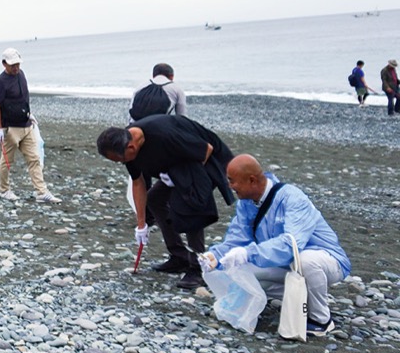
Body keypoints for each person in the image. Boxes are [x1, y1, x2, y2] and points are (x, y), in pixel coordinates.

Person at [201, 154, 350, 337]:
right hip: (285, 264)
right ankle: (295, 300)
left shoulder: (292, 197)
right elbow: (237, 239)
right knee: (238, 268)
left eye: (232, 181)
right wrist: (215, 256)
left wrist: (248, 253)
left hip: (327, 260)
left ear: (252, 180)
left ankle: (321, 319)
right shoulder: (246, 203)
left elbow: (291, 245)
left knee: (306, 261)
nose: (230, 186)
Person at [96, 114, 235, 290]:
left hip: (207, 161)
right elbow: (138, 182)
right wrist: (141, 224)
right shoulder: (127, 147)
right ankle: (179, 256)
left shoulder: (165, 135)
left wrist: (180, 177)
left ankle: (197, 266)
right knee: (154, 199)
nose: (121, 163)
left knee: (189, 206)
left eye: (120, 160)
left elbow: (205, 150)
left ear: (131, 147)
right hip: (176, 168)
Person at [126, 62, 192, 274]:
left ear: (153, 75)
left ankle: (146, 219)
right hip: (164, 145)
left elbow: (130, 118)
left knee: (142, 182)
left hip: (136, 145)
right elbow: (182, 121)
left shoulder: (139, 88)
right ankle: (185, 256)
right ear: (171, 76)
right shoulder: (176, 89)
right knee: (170, 190)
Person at [0, 48, 60, 204]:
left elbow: (24, 97)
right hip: (11, 127)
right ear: (4, 64)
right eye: (12, 65)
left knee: (34, 158)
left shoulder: (21, 75)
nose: (16, 68)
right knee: (7, 160)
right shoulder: (0, 82)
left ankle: (41, 192)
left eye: (17, 64)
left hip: (26, 124)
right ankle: (4, 190)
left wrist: (29, 114)